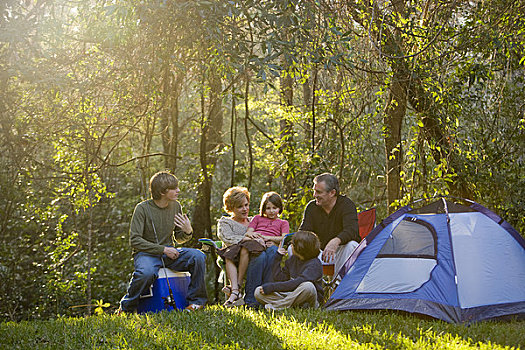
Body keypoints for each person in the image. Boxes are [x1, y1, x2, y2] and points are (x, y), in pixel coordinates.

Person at [119, 171, 207, 313]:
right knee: (145, 273)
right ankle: (126, 308)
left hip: (170, 253)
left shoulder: (176, 206)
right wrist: (163, 250)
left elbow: (179, 238)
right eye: (174, 188)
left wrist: (188, 231)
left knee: (198, 256)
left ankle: (196, 303)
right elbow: (135, 241)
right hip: (146, 254)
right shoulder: (142, 209)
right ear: (162, 192)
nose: (178, 190)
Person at [299, 173, 360, 279]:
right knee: (293, 248)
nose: (314, 195)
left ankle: (340, 289)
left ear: (332, 193)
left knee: (352, 245)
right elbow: (304, 232)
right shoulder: (312, 207)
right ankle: (304, 286)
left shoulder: (346, 205)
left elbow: (352, 230)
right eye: (314, 191)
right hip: (318, 254)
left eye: (318, 192)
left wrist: (336, 241)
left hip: (340, 253)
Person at [254, 230, 323, 310]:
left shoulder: (314, 264)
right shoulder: (293, 259)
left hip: (309, 299)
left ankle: (276, 307)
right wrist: (277, 257)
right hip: (292, 295)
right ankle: (288, 305)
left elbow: (297, 282)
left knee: (308, 286)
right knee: (258, 292)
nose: (291, 246)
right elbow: (280, 278)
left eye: (292, 244)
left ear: (300, 248)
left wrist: (272, 287)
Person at [216, 187, 252, 307]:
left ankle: (236, 289)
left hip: (252, 256)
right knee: (231, 253)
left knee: (247, 250)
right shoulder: (225, 222)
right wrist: (245, 239)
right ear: (231, 208)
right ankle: (236, 289)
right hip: (231, 257)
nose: (245, 209)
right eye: (240, 206)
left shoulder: (253, 221)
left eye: (246, 205)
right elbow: (227, 238)